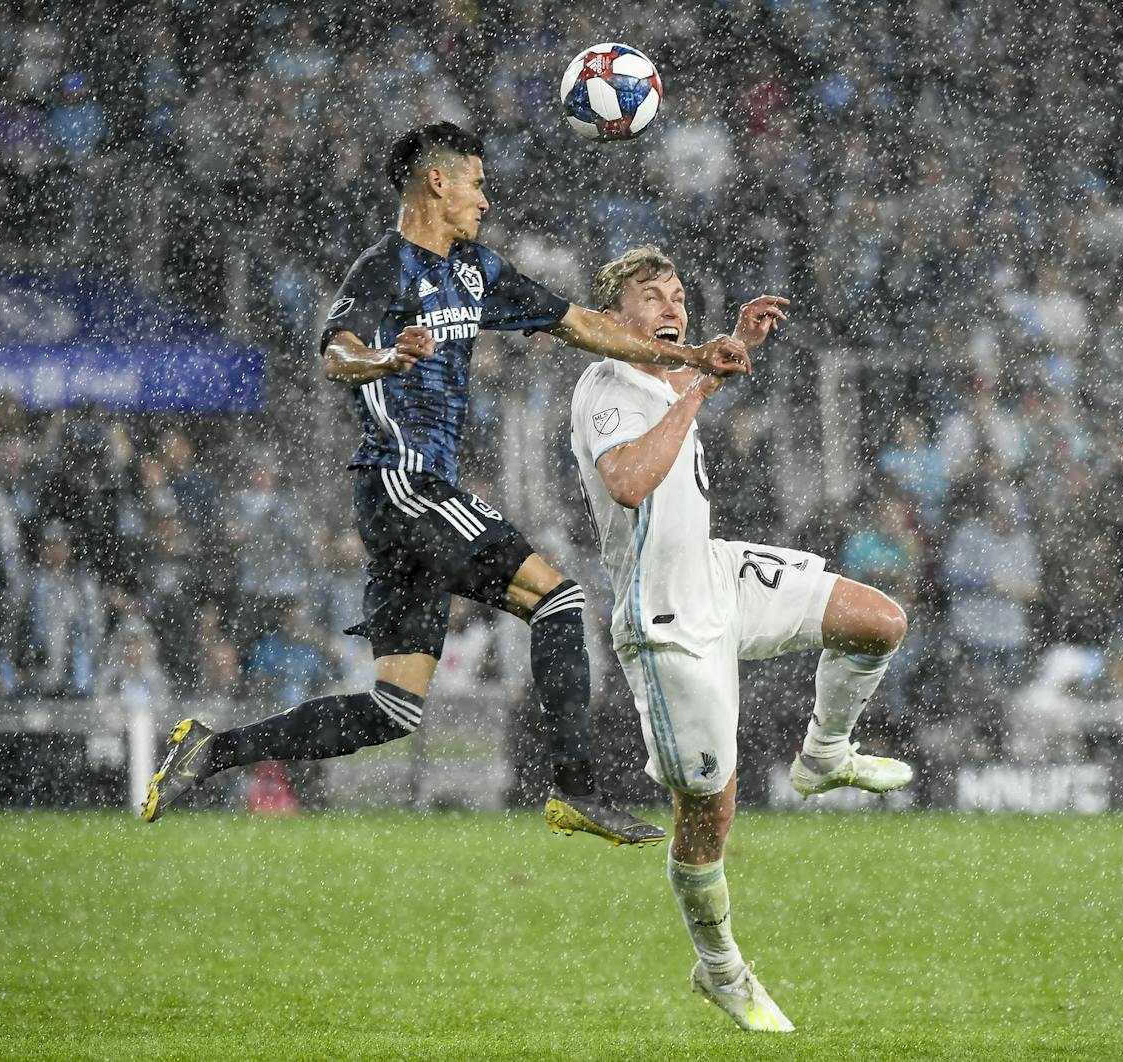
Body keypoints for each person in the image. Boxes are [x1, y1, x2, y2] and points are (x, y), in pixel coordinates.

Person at [142, 123, 750, 846]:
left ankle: (210, 749)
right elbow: (336, 355)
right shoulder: (383, 270)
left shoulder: (475, 273)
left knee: (392, 710)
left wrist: (688, 355)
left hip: (412, 500)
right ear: (438, 182)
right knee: (559, 599)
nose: (485, 198)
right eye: (477, 182)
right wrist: (382, 360)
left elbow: (582, 323)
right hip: (406, 484)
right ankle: (577, 789)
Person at [569, 247, 911, 1033]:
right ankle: (720, 969)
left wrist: (725, 355)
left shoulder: (670, 374)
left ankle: (825, 754)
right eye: (650, 296)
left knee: (878, 622)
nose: (671, 307)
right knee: (708, 814)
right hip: (665, 623)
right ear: (613, 317)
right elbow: (626, 479)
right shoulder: (604, 385)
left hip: (719, 575)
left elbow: (687, 385)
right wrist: (702, 383)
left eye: (679, 295)